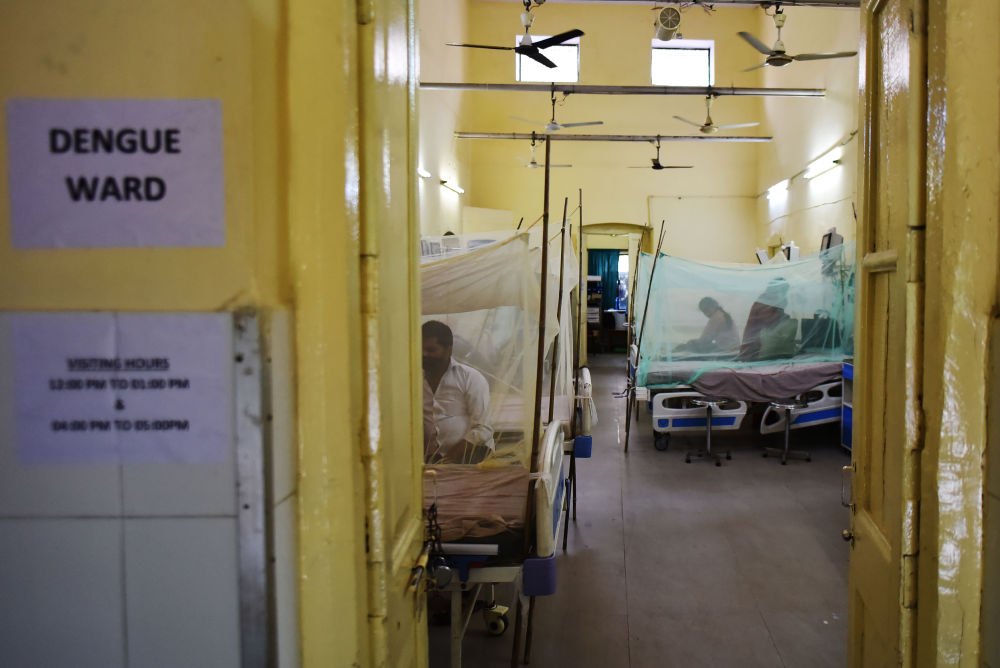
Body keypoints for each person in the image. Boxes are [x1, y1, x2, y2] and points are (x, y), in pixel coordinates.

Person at [422, 320, 493, 464]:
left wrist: (449, 459)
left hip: (472, 459)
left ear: (448, 350)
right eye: (420, 349)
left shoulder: (471, 378)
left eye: (430, 350)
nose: (424, 354)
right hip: (429, 462)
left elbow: (483, 429)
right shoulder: (412, 382)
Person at [737, 277, 794, 361]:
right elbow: (767, 320)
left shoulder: (776, 299)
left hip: (767, 345)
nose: (784, 293)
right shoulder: (764, 300)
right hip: (756, 348)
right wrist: (783, 316)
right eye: (784, 290)